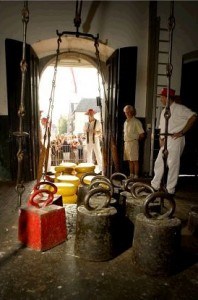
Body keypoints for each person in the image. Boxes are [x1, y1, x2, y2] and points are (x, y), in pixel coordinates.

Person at [151, 87, 197, 195]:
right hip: (166, 139)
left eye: (162, 97)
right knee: (159, 162)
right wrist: (161, 139)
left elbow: (193, 116)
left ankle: (170, 189)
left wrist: (182, 132)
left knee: (173, 164)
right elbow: (162, 127)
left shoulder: (179, 108)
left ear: (167, 98)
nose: (160, 99)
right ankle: (155, 185)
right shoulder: (163, 111)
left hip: (176, 139)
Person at [123, 105, 145, 179]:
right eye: (126, 112)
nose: (128, 113)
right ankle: (131, 175)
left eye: (129, 112)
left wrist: (136, 140)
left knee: (135, 160)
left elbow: (142, 134)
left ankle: (136, 176)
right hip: (126, 143)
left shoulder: (136, 122)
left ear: (132, 112)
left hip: (133, 142)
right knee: (129, 160)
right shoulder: (125, 122)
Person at [83, 108, 103, 173]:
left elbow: (101, 132)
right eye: (89, 113)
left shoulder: (98, 122)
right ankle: (89, 169)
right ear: (88, 115)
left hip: (95, 140)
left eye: (91, 113)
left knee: (98, 154)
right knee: (89, 155)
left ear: (93, 114)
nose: (90, 114)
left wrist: (96, 132)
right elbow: (84, 132)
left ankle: (101, 169)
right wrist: (86, 132)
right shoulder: (86, 123)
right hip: (88, 141)